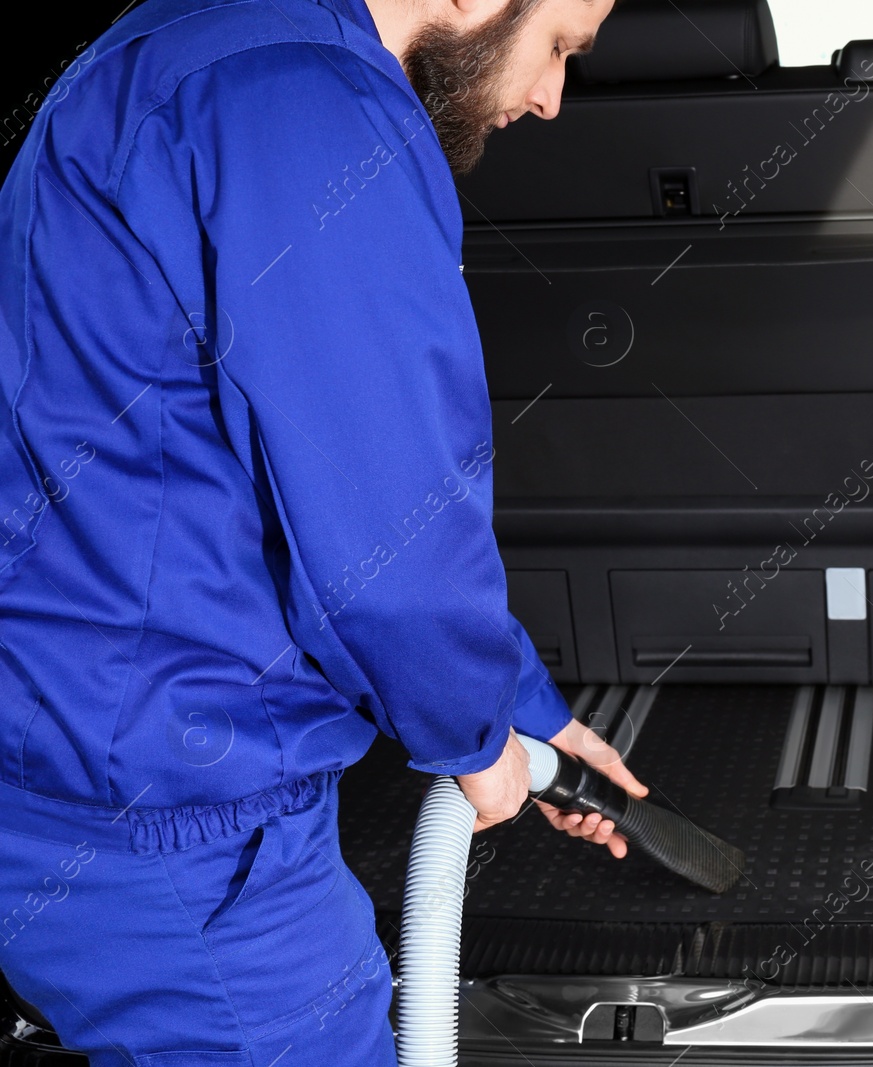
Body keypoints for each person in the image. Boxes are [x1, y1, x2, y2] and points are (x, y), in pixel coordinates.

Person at [0, 0, 632, 1062]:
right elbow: (386, 544)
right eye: (560, 44)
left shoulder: (177, 40)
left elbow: (240, 470)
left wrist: (524, 703)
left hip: (63, 771)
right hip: (177, 832)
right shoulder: (311, 110)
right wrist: (479, 737)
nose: (551, 97)